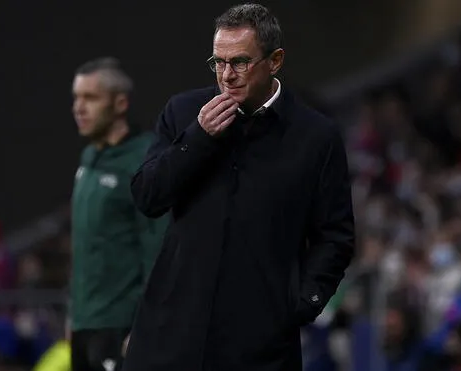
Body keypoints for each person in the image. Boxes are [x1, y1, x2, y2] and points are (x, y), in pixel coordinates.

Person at [122, 4, 355, 371]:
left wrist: (303, 303)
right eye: (218, 62)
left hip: (259, 344)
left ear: (275, 60)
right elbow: (147, 196)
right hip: (170, 335)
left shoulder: (316, 136)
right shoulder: (183, 112)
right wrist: (198, 139)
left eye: (240, 62)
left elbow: (335, 236)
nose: (226, 75)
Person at [69, 57, 167, 371]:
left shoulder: (145, 159)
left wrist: (144, 324)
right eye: (76, 98)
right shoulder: (89, 157)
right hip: (85, 324)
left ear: (120, 103)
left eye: (90, 98)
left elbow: (159, 252)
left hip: (122, 325)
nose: (79, 107)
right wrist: (74, 316)